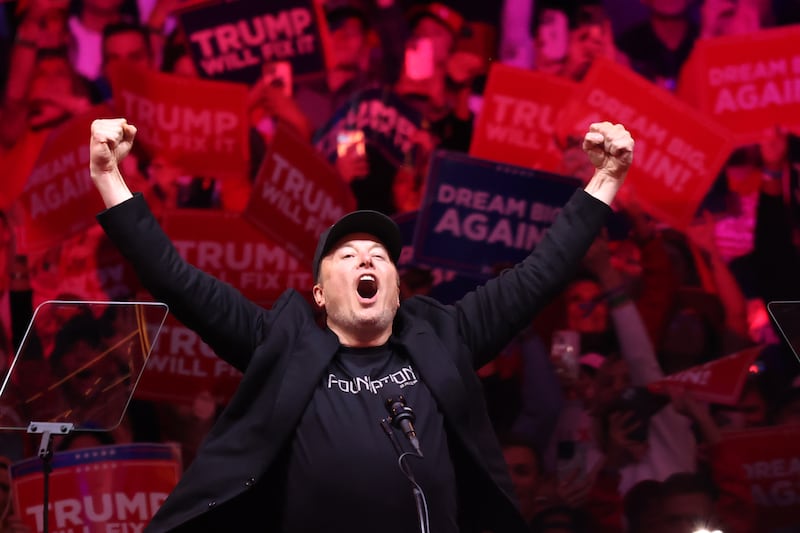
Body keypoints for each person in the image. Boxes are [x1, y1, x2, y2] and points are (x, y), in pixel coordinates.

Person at [87, 117, 633, 532]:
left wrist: (605, 179)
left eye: (379, 255)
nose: (368, 260)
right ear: (320, 295)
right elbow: (176, 280)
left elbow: (540, 274)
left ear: (398, 290)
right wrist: (110, 177)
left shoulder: (446, 333)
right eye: (348, 257)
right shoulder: (279, 340)